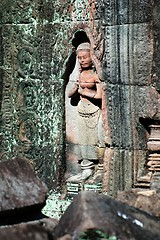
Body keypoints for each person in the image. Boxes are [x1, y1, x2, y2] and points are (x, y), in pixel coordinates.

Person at [67, 42, 105, 183]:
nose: (82, 60)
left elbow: (99, 96)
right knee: (83, 139)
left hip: (94, 111)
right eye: (79, 58)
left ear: (92, 57)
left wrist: (84, 91)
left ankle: (97, 168)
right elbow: (70, 94)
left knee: (94, 139)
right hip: (81, 110)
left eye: (85, 57)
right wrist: (76, 85)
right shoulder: (79, 74)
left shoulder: (95, 76)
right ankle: (85, 168)